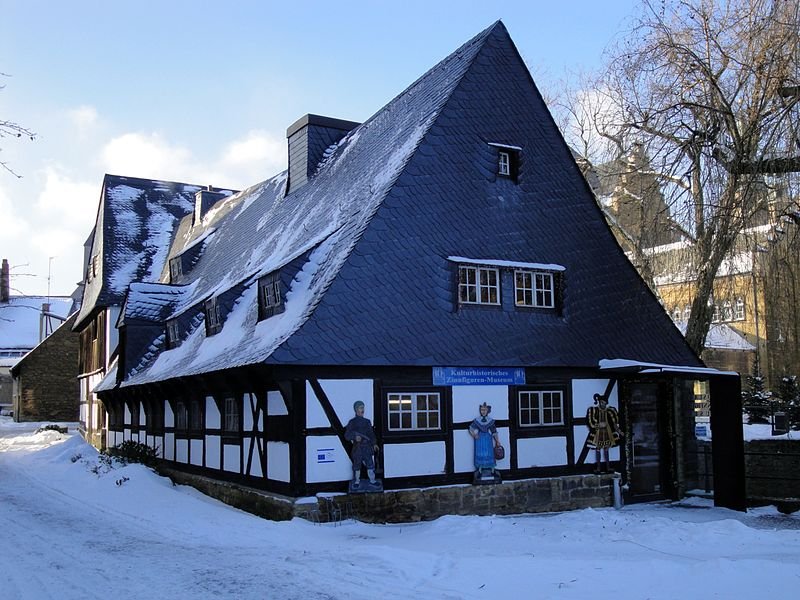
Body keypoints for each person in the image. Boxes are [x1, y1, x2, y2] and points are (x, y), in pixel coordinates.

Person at [344, 400, 379, 489]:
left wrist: (374, 443)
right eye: (360, 408)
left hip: (367, 447)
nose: (362, 409)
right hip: (358, 447)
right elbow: (347, 435)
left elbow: (371, 434)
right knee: (357, 465)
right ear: (356, 409)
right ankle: (357, 481)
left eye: (363, 407)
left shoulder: (367, 421)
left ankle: (372, 480)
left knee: (370, 464)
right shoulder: (352, 422)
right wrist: (355, 437)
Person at [586, 393, 621, 473]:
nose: (603, 404)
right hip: (598, 432)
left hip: (607, 432)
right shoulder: (595, 410)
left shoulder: (609, 411)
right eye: (602, 403)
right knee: (598, 448)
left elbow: (613, 423)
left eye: (605, 403)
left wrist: (619, 431)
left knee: (606, 449)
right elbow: (591, 421)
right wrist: (598, 425)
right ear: (599, 402)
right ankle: (598, 468)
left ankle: (608, 467)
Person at [469, 402, 500, 481]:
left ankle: (491, 468)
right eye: (482, 410)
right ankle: (480, 468)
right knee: (480, 452)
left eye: (485, 410)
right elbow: (471, 428)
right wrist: (474, 435)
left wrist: (497, 441)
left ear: (488, 411)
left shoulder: (490, 421)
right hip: (479, 439)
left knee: (489, 452)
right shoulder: (477, 420)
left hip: (487, 438)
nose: (483, 411)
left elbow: (494, 431)